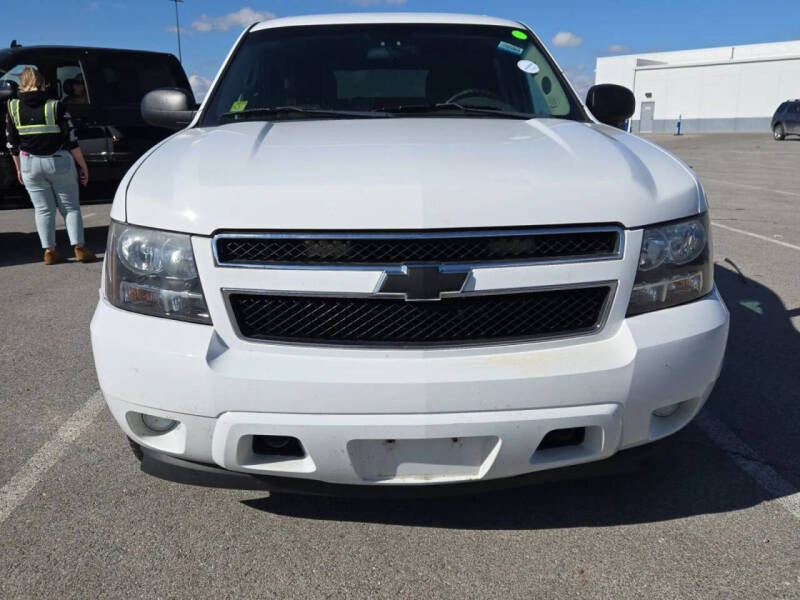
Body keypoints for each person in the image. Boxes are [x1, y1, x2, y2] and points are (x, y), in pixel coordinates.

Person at [5, 67, 95, 264]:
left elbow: (11, 143)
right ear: (42, 82)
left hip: (29, 163)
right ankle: (79, 249)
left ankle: (50, 252)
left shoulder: (12, 107)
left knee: (43, 210)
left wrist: (19, 168)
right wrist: (83, 166)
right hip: (58, 162)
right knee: (70, 208)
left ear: (22, 83)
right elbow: (72, 140)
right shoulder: (55, 106)